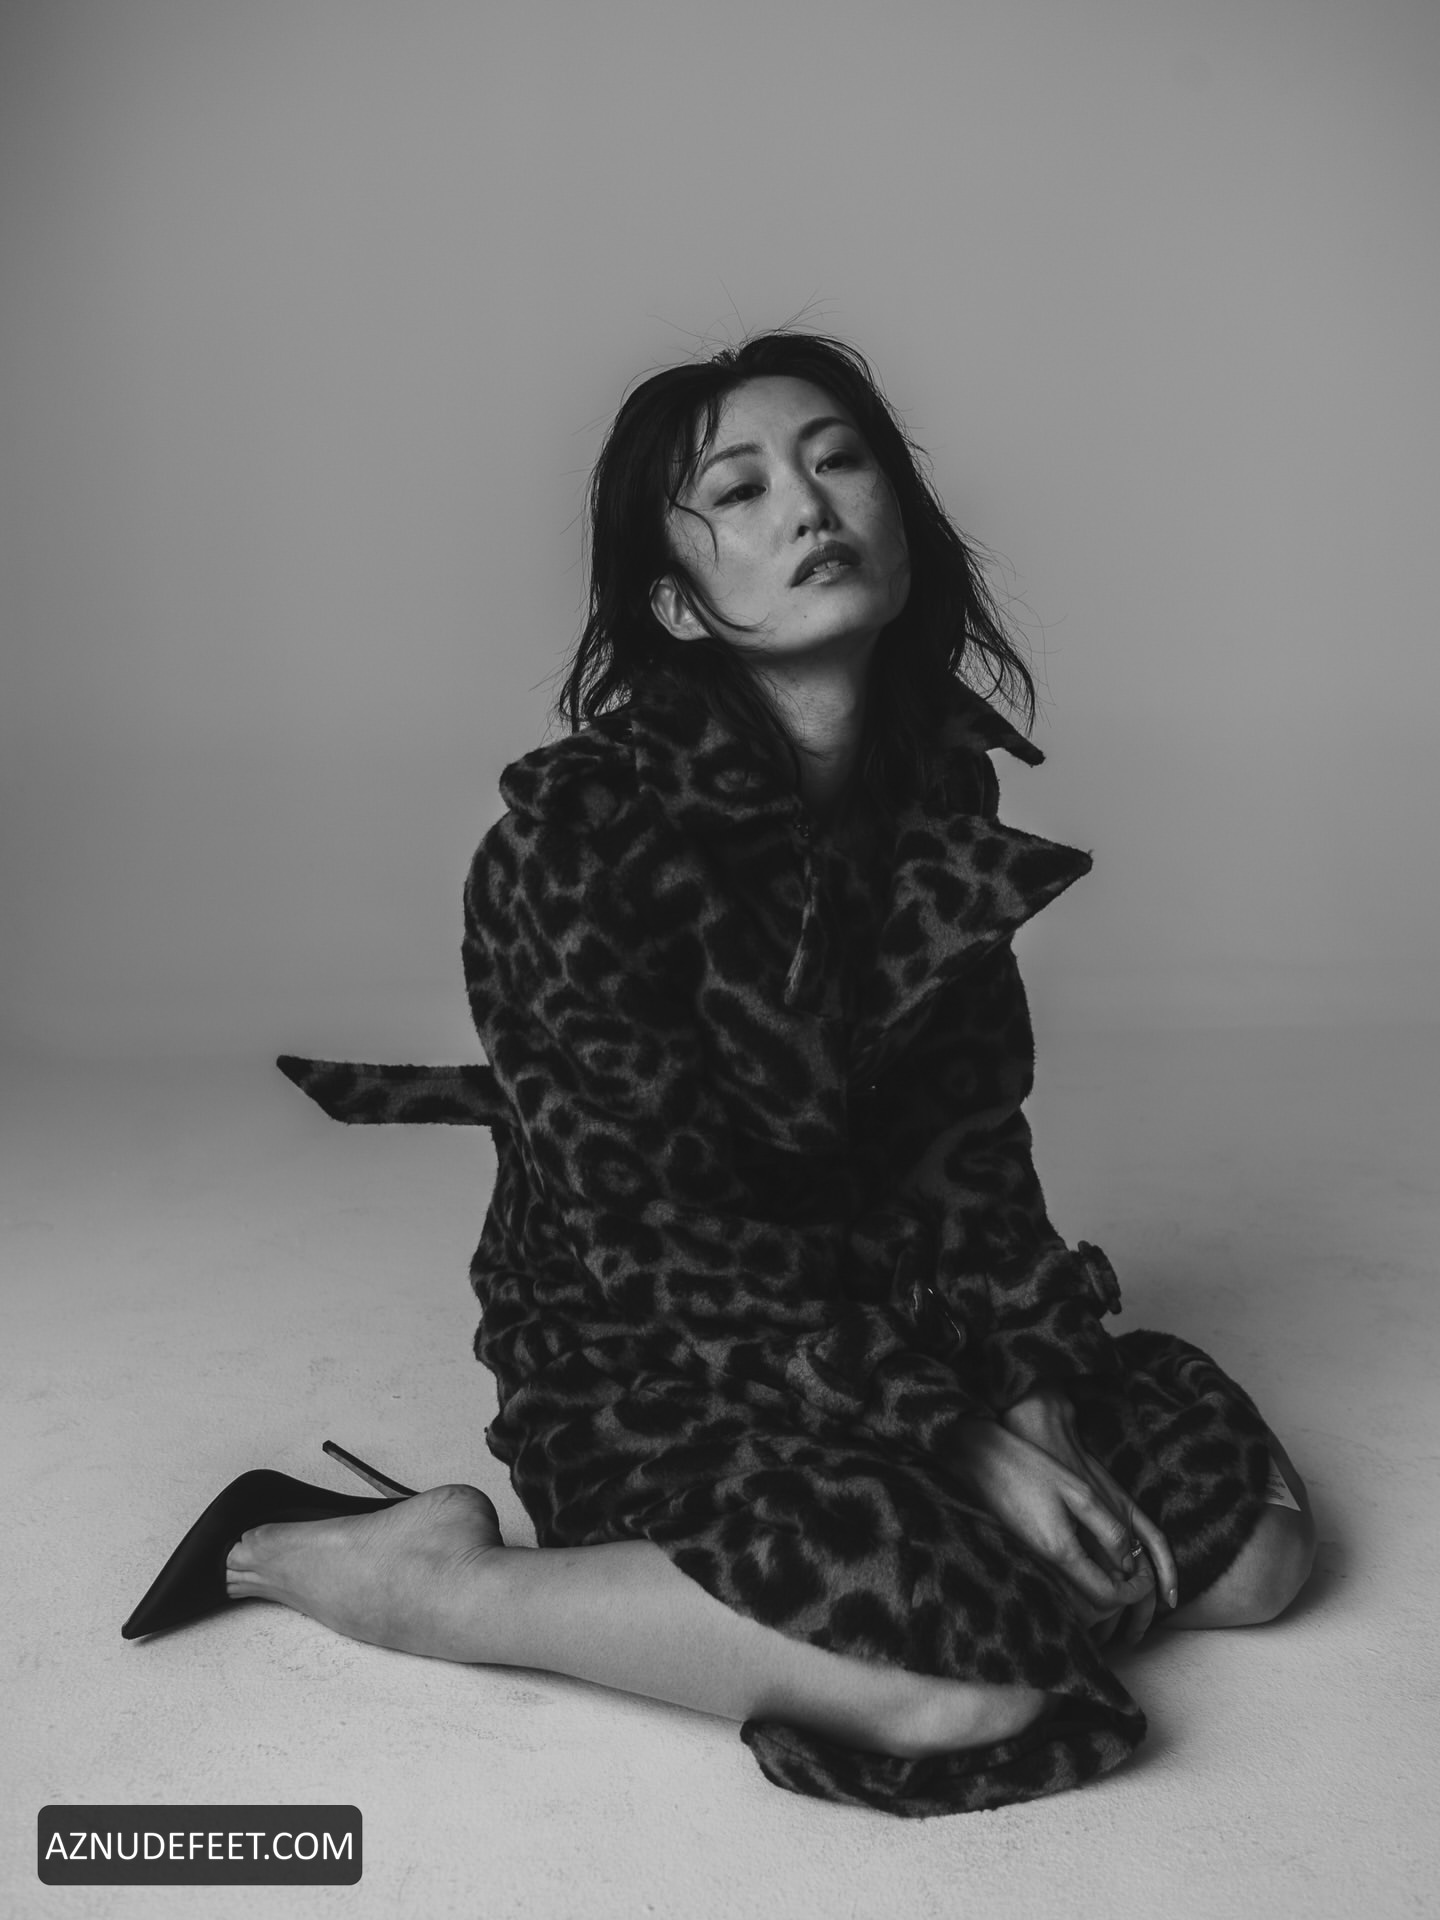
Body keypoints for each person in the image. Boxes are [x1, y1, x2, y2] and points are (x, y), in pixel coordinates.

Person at [125, 332, 1316, 1817]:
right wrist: (958, 1443)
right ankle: (426, 1581)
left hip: (893, 1323)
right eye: (741, 491)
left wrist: (1029, 1401)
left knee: (1254, 1558)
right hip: (660, 1361)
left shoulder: (936, 792)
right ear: (677, 601)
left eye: (840, 461)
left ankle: (900, 1551)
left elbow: (970, 1148)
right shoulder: (571, 850)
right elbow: (660, 1247)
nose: (809, 506)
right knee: (970, 1685)